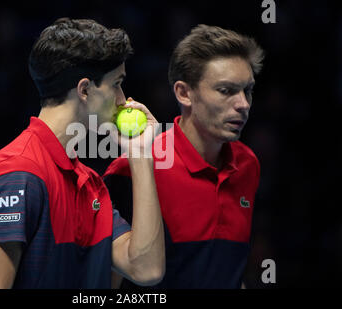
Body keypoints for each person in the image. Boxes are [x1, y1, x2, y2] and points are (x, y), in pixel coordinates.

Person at [0, 18, 165, 289]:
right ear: (84, 90)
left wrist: (140, 156)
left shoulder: (90, 183)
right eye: (117, 83)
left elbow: (146, 269)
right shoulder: (17, 173)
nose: (123, 100)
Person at [104, 24, 264, 288]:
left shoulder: (248, 164)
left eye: (247, 90)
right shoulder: (132, 169)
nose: (243, 104)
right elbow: (109, 283)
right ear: (184, 93)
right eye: (226, 91)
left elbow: (230, 270)